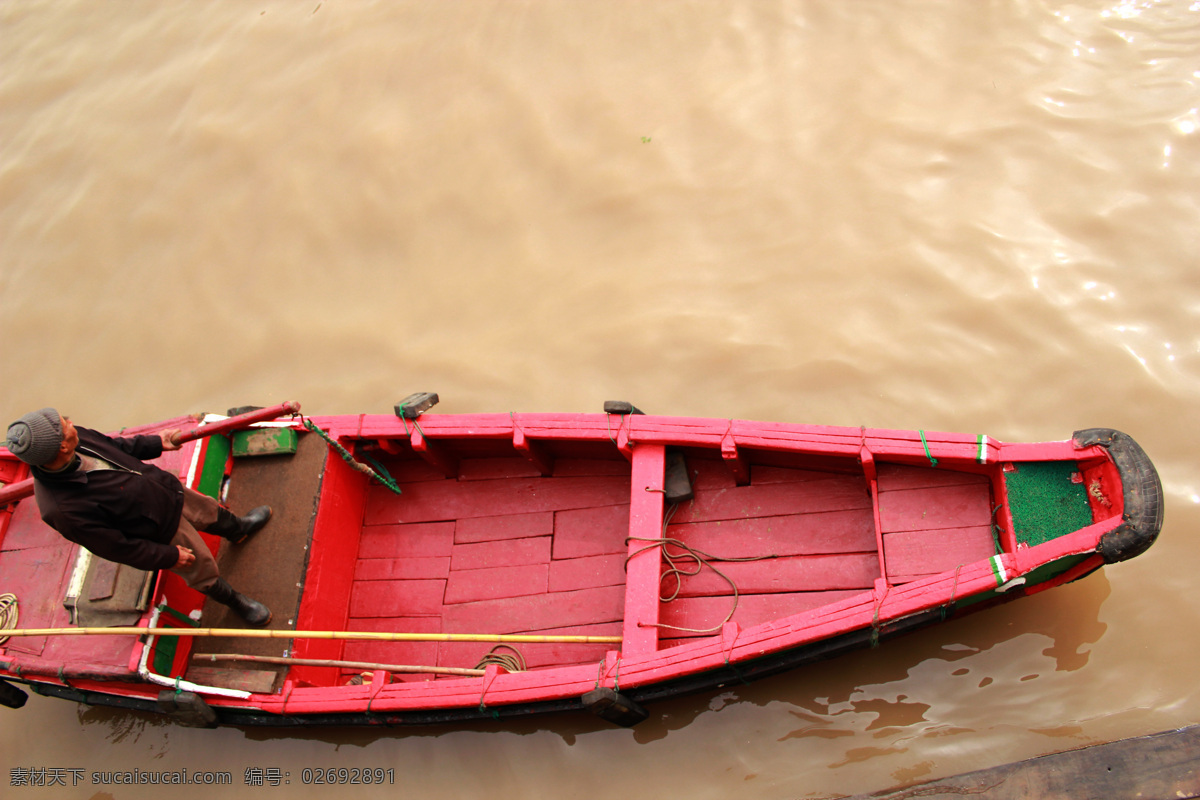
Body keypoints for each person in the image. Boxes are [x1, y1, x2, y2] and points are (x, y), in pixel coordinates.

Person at [5, 408, 273, 627]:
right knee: (200, 569)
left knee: (209, 510)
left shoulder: (78, 438)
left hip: (165, 489)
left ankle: (239, 529)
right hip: (160, 529)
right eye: (66, 425)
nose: (72, 422)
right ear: (62, 447)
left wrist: (156, 443)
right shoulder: (62, 510)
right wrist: (168, 556)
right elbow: (116, 547)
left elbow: (115, 446)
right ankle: (236, 602)